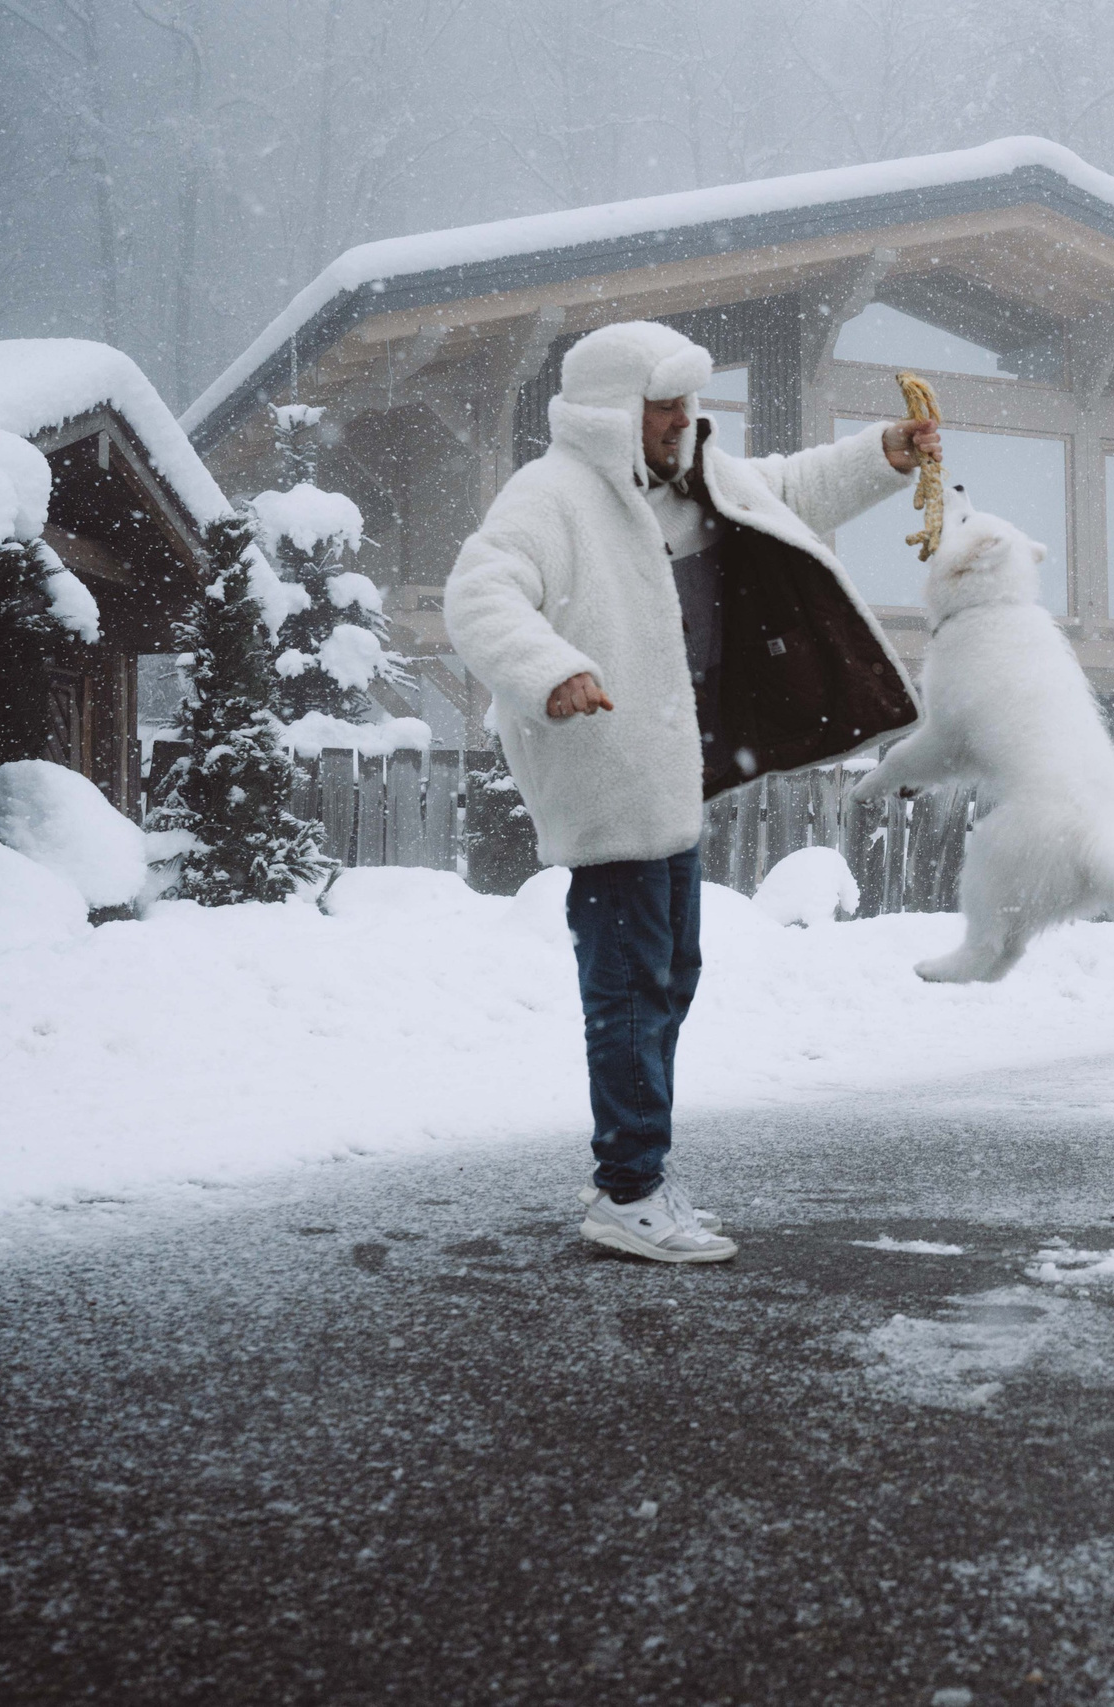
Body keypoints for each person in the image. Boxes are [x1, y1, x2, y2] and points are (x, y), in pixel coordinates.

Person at [445, 319, 937, 1263]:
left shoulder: (692, 478)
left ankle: (643, 1173)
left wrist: (884, 453)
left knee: (670, 981)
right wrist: (551, 668)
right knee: (631, 992)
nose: (682, 419)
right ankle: (627, 1190)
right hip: (607, 780)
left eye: (685, 401)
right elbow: (481, 592)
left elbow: (790, 489)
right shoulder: (550, 497)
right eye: (662, 404)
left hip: (667, 782)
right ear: (609, 411)